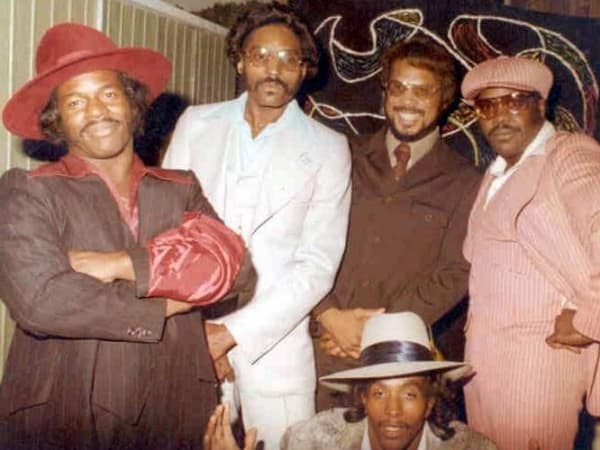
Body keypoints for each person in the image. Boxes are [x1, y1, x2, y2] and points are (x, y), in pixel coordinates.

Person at [0, 23, 254, 450]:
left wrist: (118, 264)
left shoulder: (180, 187)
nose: (96, 111)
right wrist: (170, 301)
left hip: (175, 402)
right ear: (56, 119)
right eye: (75, 102)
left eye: (108, 94)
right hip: (67, 405)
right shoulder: (30, 190)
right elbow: (41, 301)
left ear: (132, 103)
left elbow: (236, 269)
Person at [162, 2, 351, 448]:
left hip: (275, 354)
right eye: (261, 55)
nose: (274, 69)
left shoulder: (329, 148)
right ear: (240, 61)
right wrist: (199, 334)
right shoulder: (196, 124)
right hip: (191, 338)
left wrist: (230, 334)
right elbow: (168, 233)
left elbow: (316, 267)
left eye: (288, 58)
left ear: (304, 69)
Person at [312, 37, 482, 411]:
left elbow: (456, 271)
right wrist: (328, 315)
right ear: (385, 92)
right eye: (399, 87)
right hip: (320, 346)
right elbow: (299, 238)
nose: (408, 101)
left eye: (423, 91)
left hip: (396, 361)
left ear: (445, 99)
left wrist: (381, 328)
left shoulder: (465, 181)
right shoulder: (342, 154)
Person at [460, 55, 600, 450]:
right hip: (482, 368)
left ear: (540, 104)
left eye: (513, 102)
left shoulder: (568, 154)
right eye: (487, 106)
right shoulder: (498, 172)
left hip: (537, 368)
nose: (499, 116)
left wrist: (590, 320)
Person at [204, 312, 496, 450]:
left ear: (430, 402)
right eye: (379, 393)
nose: (393, 411)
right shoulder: (312, 443)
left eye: (409, 394)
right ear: (362, 398)